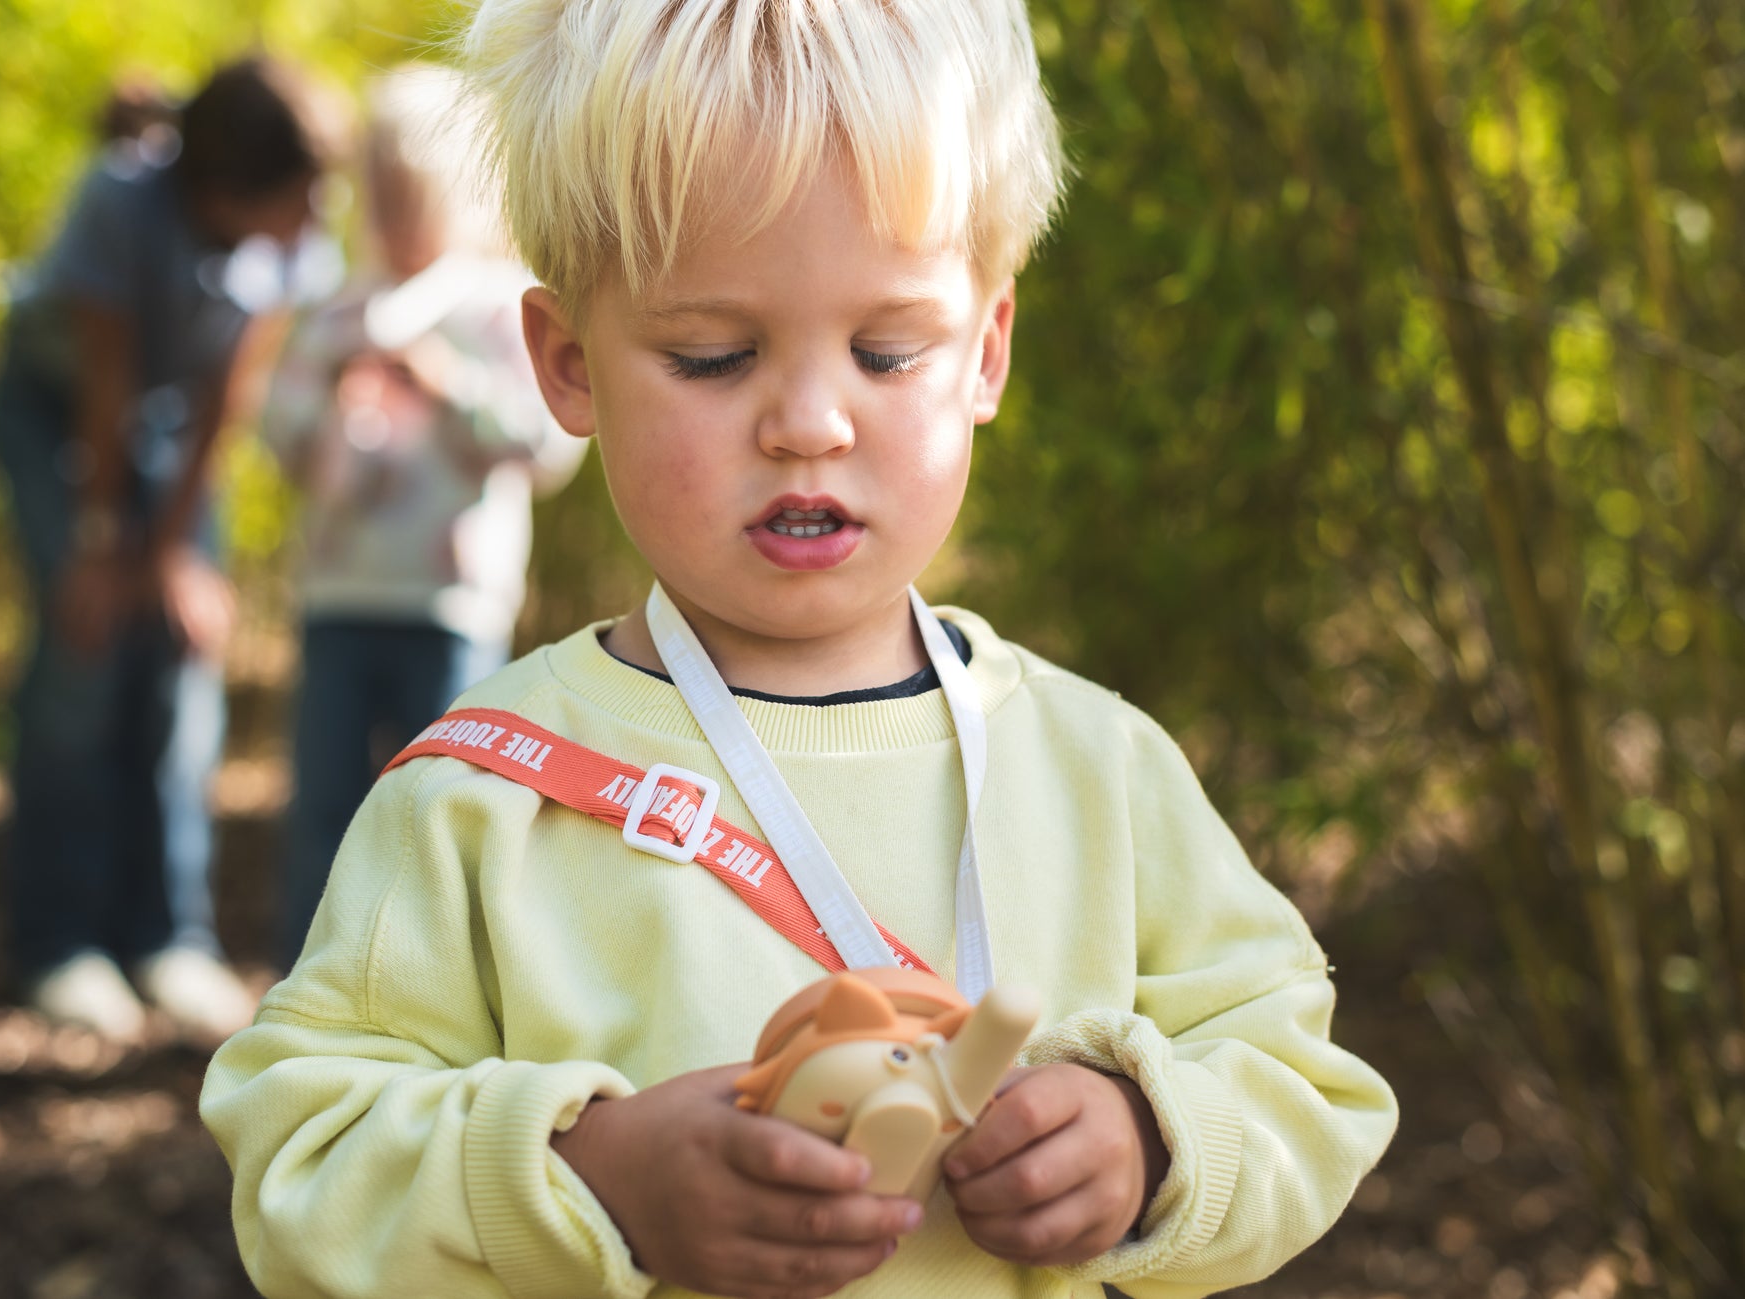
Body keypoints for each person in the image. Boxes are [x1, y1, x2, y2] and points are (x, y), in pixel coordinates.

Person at [202, 2, 1399, 1296]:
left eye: (889, 350)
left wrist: (1151, 1135)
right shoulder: (487, 795)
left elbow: (1295, 1068)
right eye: (712, 356)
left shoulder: (1093, 763)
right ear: (567, 363)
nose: (810, 421)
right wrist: (595, 1176)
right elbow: (299, 1158)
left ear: (986, 350)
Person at [0, 56, 347, 1045]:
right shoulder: (118, 202)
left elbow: (225, 400)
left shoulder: (287, 242)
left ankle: (166, 937)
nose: (320, 222)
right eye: (302, 200)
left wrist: (179, 550)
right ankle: (60, 942)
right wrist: (104, 550)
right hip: (57, 422)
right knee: (86, 657)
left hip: (171, 439)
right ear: (226, 193)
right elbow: (104, 385)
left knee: (182, 665)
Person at [260, 65, 584, 972]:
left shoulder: (496, 309)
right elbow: (277, 430)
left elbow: (549, 440)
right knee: (325, 803)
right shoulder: (338, 309)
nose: (402, 219)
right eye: (388, 197)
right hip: (339, 591)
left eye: (420, 198)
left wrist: (446, 387)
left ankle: (445, 988)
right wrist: (335, 399)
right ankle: (307, 995)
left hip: (451, 601)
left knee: (449, 804)